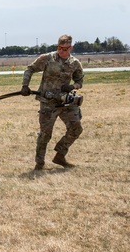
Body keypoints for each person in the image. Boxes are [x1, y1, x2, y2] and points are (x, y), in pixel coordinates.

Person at [20, 34, 85, 170]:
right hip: (47, 102)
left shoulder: (75, 63)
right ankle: (39, 163)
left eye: (65, 48)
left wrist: (73, 87)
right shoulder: (47, 58)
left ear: (70, 48)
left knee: (76, 128)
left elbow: (80, 81)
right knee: (45, 134)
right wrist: (25, 86)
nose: (62, 51)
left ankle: (60, 155)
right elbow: (30, 69)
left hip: (65, 102)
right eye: (59, 47)